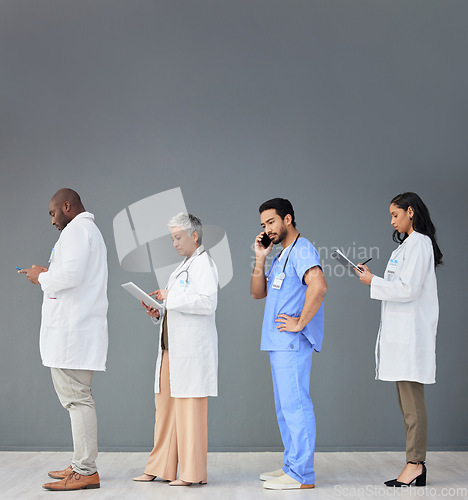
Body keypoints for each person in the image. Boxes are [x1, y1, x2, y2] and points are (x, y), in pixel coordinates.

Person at [18, 188, 108, 491]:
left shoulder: (77, 231)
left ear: (66, 206)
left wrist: (41, 277)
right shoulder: (84, 232)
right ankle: (79, 462)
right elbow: (70, 273)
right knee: (77, 398)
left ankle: (85, 470)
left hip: (74, 332)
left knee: (77, 399)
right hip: (76, 330)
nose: (52, 220)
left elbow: (70, 275)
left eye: (53, 213)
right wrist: (48, 272)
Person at [355, 192, 442, 487]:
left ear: (410, 212)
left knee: (412, 405)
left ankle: (415, 463)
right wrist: (373, 278)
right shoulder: (407, 246)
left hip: (411, 335)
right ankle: (414, 463)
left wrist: (373, 282)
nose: (392, 220)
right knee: (406, 404)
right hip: (400, 336)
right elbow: (398, 285)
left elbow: (409, 290)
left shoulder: (420, 244)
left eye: (395, 214)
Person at [133, 213, 218, 487]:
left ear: (194, 235)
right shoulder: (182, 266)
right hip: (171, 350)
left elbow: (207, 303)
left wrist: (170, 297)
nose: (174, 243)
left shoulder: (204, 264)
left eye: (178, 237)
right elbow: (177, 306)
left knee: (189, 411)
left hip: (191, 353)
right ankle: (160, 467)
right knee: (166, 409)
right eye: (172, 238)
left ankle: (193, 474)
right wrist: (157, 311)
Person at [250, 198, 327, 490]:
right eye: (263, 225)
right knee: (286, 408)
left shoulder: (303, 249)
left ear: (288, 219)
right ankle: (292, 466)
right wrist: (260, 258)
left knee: (296, 405)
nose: (268, 229)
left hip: (292, 342)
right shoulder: (282, 255)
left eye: (271, 222)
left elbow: (318, 286)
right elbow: (258, 293)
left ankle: (302, 475)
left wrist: (299, 322)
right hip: (278, 343)